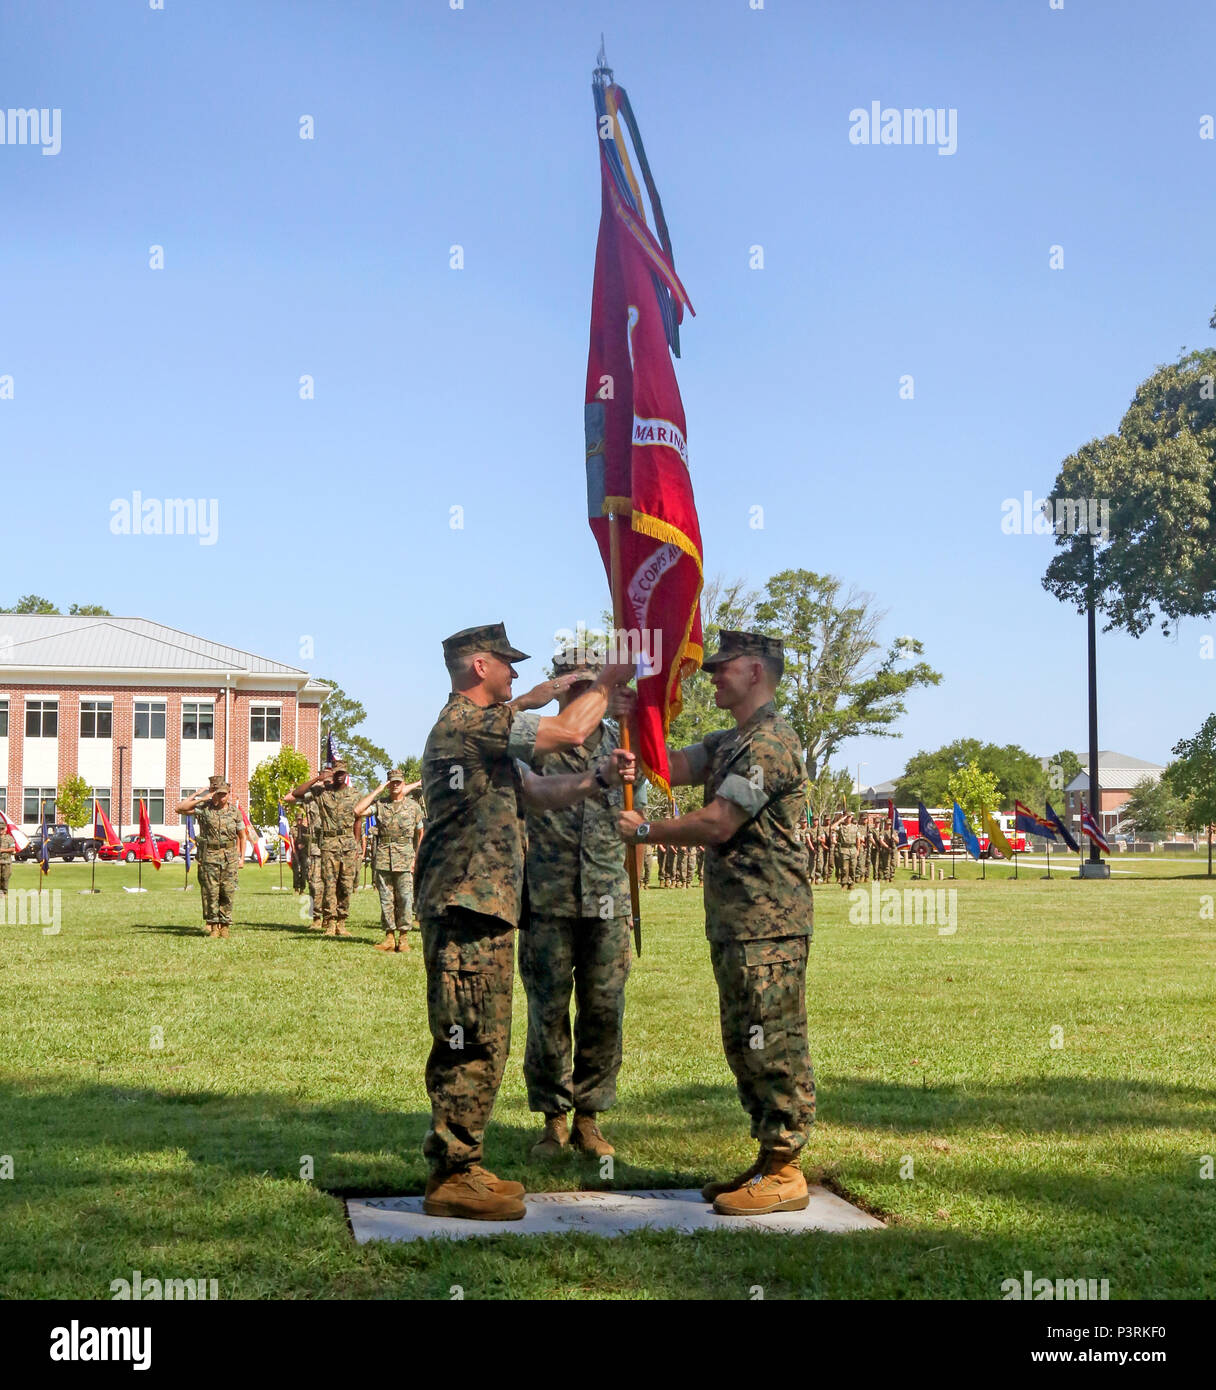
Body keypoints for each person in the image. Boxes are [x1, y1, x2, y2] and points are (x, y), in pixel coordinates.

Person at [414, 622, 634, 1221]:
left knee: (484, 1037)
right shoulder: (466, 723)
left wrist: (594, 781)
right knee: (468, 1039)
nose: (517, 674)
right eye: (507, 664)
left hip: (483, 909)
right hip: (465, 907)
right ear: (480, 666)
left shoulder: (484, 733)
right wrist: (612, 675)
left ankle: (465, 1164)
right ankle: (454, 1172)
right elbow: (567, 728)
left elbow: (535, 794)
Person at [617, 629, 815, 1217]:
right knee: (744, 1039)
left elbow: (719, 821)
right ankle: (767, 1156)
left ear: (755, 671)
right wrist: (633, 724)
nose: (714, 676)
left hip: (769, 920)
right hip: (737, 919)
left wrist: (646, 831)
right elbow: (669, 767)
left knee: (773, 1039)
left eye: (723, 668)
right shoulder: (730, 741)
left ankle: (787, 1167)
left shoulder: (771, 744)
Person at [521, 647, 640, 1162]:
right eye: (571, 684)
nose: (580, 692)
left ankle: (590, 1116)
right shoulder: (540, 739)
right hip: (548, 895)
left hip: (608, 896)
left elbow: (641, 810)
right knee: (547, 1010)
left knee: (603, 1008)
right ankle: (554, 1120)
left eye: (589, 683)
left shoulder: (623, 741)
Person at [289, 760, 362, 936]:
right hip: (328, 844)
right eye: (337, 773)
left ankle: (341, 922)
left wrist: (357, 843)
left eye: (342, 773)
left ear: (346, 774)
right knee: (329, 885)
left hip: (347, 844)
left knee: (345, 885)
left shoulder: (355, 794)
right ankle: (329, 922)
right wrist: (317, 778)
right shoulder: (321, 792)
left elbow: (358, 819)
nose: (340, 776)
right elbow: (296, 793)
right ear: (333, 774)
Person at [355, 771, 424, 953]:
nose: (395, 786)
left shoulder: (413, 807)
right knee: (386, 899)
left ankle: (403, 939)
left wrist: (416, 858)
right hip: (384, 858)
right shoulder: (380, 805)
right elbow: (358, 811)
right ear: (388, 784)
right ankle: (389, 938)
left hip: (405, 857)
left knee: (405, 898)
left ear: (403, 784)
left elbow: (421, 833)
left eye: (398, 783)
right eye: (392, 783)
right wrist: (377, 790)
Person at [175, 775, 251, 938]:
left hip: (229, 856)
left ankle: (225, 926)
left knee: (228, 891)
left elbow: (242, 836)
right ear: (214, 794)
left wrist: (242, 858)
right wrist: (202, 796)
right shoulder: (205, 808)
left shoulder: (235, 812)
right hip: (210, 855)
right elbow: (180, 808)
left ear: (229, 794)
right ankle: (214, 926)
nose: (222, 797)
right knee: (211, 891)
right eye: (219, 794)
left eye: (225, 794)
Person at [0, 823, 15, 897]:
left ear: (5, 829)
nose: (0, 830)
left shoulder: (9, 838)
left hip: (6, 861)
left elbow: (12, 849)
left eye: (2, 829)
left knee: (5, 877)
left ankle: (4, 893)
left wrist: (3, 850)